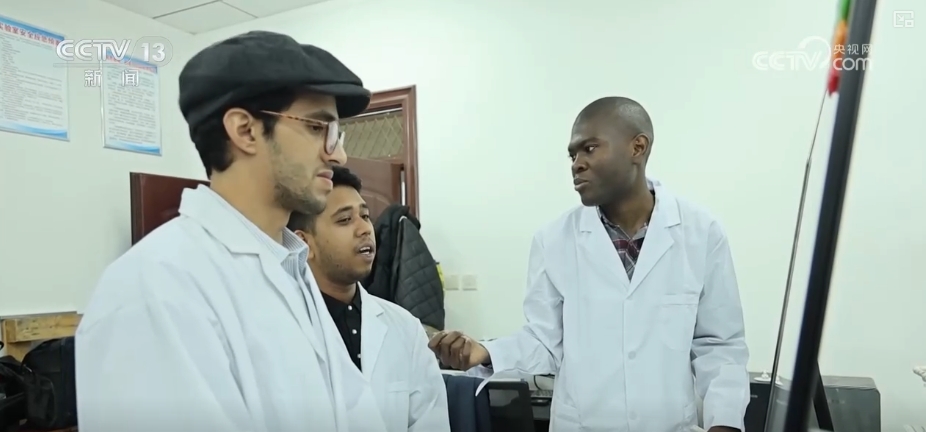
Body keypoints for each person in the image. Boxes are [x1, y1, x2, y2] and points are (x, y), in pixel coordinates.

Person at [75, 31, 374, 432]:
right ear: (245, 131)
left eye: (336, 134)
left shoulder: (292, 268)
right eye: (319, 127)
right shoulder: (155, 287)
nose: (338, 153)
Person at [429, 97, 750, 432]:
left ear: (637, 147)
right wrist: (485, 352)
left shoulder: (700, 234)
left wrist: (724, 424)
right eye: (572, 155)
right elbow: (544, 341)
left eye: (590, 148)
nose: (577, 164)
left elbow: (720, 346)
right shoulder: (553, 240)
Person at [286, 166, 450, 432]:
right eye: (344, 220)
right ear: (304, 244)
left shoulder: (405, 327)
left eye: (365, 215)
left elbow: (432, 421)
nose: (365, 229)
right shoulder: (281, 327)